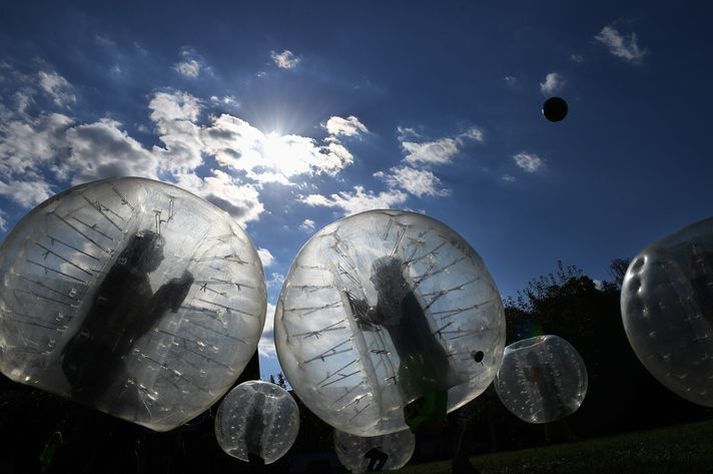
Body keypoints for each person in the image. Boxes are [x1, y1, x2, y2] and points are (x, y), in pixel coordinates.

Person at [61, 230, 194, 410]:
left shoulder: (128, 274)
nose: (163, 257)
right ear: (144, 250)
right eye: (159, 251)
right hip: (94, 362)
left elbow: (134, 322)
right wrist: (169, 293)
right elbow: (134, 326)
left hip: (90, 358)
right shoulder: (127, 278)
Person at [349, 255, 459, 432]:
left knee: (424, 406)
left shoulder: (396, 294)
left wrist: (358, 308)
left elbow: (380, 317)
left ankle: (430, 428)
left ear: (386, 275)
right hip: (425, 357)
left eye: (376, 275)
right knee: (431, 407)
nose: (373, 280)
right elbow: (380, 317)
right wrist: (361, 309)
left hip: (421, 360)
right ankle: (435, 430)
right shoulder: (399, 292)